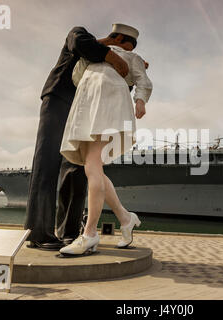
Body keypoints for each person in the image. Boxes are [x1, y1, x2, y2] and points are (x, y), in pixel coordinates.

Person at [25, 26, 131, 250]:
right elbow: (79, 43)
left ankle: (68, 233)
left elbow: (114, 90)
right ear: (117, 38)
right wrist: (113, 57)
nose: (123, 55)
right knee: (47, 163)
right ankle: (39, 232)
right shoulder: (83, 35)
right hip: (59, 101)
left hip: (83, 112)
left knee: (77, 172)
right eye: (123, 48)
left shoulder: (107, 65)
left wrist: (131, 71)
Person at [59, 23, 153, 255]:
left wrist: (140, 99)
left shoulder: (132, 57)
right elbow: (77, 76)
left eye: (116, 38)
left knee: (91, 165)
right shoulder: (95, 57)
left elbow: (142, 80)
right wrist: (101, 48)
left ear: (123, 40)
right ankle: (125, 217)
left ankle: (90, 234)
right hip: (88, 103)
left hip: (108, 102)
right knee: (95, 168)